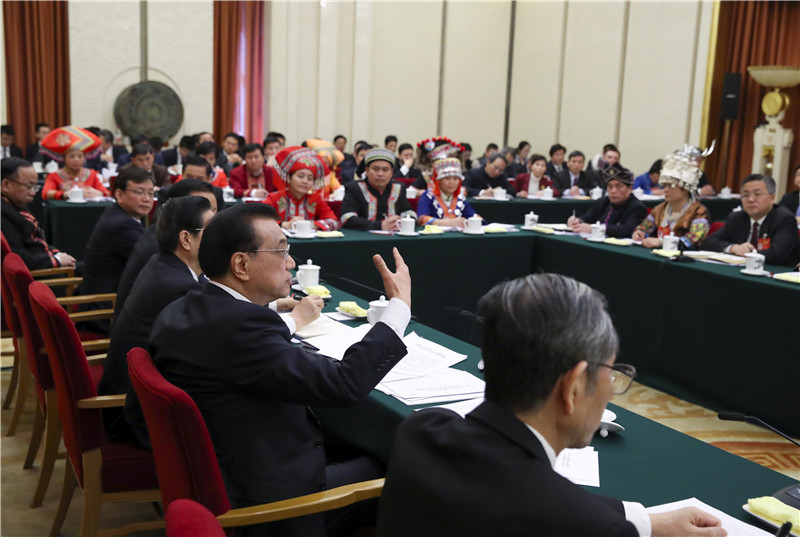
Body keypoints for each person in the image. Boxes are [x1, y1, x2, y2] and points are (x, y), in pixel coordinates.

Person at [376, 274, 725, 537]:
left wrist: (646, 522)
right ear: (573, 387)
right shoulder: (581, 526)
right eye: (610, 371)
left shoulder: (421, 429)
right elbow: (560, 509)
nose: (610, 387)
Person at [140, 203, 411, 536]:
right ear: (241, 264)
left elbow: (241, 344)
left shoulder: (183, 306)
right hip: (266, 502)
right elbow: (345, 383)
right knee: (396, 465)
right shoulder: (242, 330)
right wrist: (398, 308)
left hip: (228, 465)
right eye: (281, 251)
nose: (291, 262)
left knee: (355, 442)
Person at [100, 196, 215, 435]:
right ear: (186, 239)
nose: (220, 236)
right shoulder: (178, 286)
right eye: (211, 229)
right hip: (136, 415)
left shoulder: (163, 263)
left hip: (135, 394)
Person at [114, 178, 219, 319]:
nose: (218, 233)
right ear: (186, 239)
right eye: (210, 228)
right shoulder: (181, 288)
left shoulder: (162, 260)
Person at [81, 166, 155, 297]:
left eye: (151, 193)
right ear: (120, 195)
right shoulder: (121, 225)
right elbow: (153, 259)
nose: (147, 199)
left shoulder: (116, 213)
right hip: (107, 303)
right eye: (139, 192)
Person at [703, 174, 800, 267]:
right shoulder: (736, 218)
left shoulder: (784, 219)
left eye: (757, 194)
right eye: (745, 195)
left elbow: (777, 254)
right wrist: (733, 248)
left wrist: (747, 253)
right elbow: (708, 242)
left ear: (772, 198)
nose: (750, 199)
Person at [1, 157, 77, 269]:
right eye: (29, 186)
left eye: (35, 187)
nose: (33, 193)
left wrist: (56, 253)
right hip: (38, 275)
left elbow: (35, 243)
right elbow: (16, 258)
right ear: (6, 185)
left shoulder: (16, 206)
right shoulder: (3, 215)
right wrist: (56, 260)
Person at [632, 153, 709, 250]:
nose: (665, 190)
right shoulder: (660, 209)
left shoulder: (698, 211)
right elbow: (643, 227)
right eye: (664, 186)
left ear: (685, 189)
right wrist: (639, 233)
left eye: (670, 186)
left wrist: (661, 242)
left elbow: (694, 240)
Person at [264, 146, 341, 231]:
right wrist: (285, 225)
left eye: (310, 178)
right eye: (300, 176)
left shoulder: (315, 200)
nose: (305, 181)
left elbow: (335, 222)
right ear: (289, 178)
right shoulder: (273, 198)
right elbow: (259, 221)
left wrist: (310, 225)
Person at [341, 148, 416, 231]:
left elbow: (409, 213)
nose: (380, 174)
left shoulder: (398, 188)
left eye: (385, 170)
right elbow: (346, 218)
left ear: (391, 173)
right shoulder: (354, 188)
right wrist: (380, 225)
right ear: (367, 170)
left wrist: (401, 223)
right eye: (375, 169)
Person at [567, 164, 647, 238]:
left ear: (630, 189)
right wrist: (578, 220)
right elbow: (587, 217)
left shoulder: (637, 207)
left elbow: (626, 230)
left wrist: (594, 229)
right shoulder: (603, 202)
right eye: (610, 186)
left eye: (618, 186)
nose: (613, 191)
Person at [40, 126, 110, 200]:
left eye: (80, 156)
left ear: (84, 158)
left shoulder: (91, 174)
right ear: (64, 158)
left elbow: (107, 192)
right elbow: (46, 193)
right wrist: (64, 194)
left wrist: (99, 193)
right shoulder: (54, 176)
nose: (76, 160)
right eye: (72, 156)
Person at [416, 158, 481, 227]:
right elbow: (422, 219)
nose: (451, 182)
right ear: (439, 180)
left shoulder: (460, 198)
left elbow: (472, 215)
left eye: (455, 178)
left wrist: (477, 220)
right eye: (447, 178)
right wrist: (448, 222)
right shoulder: (428, 196)